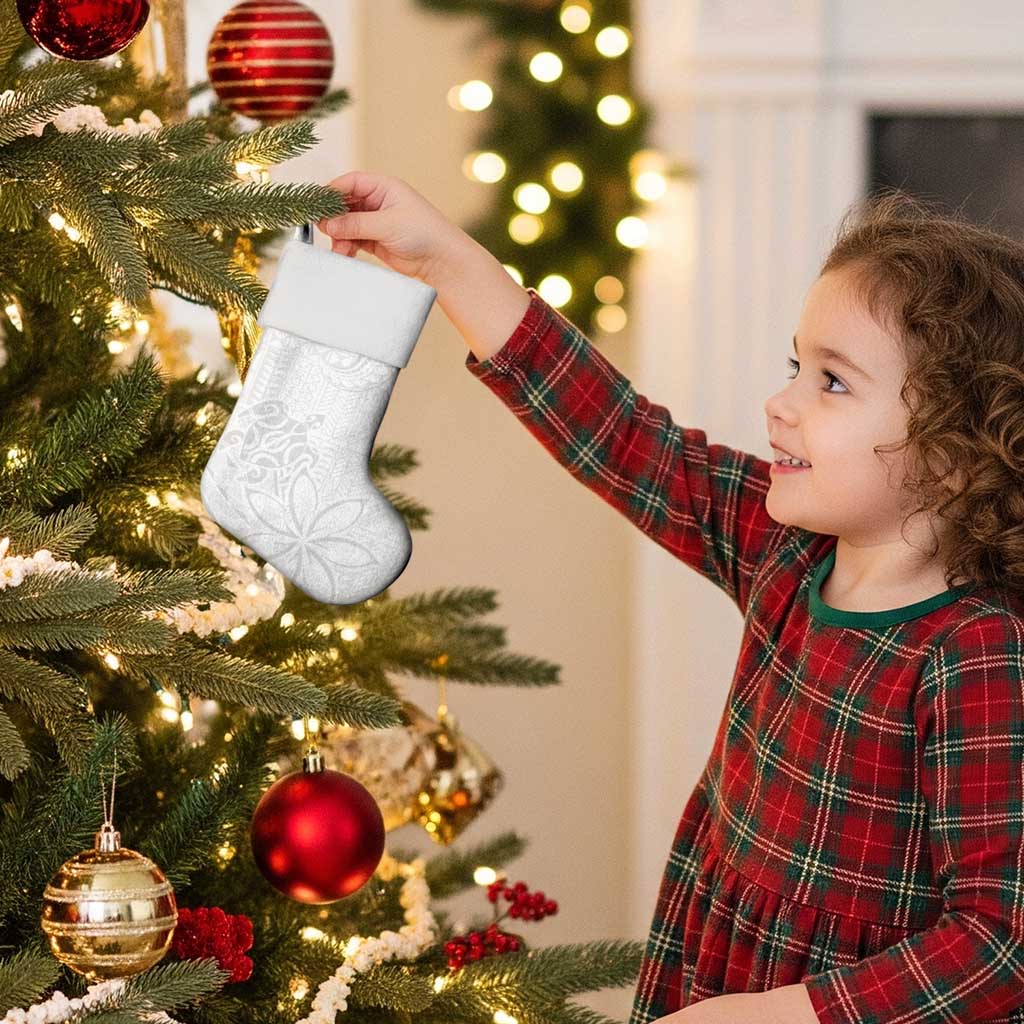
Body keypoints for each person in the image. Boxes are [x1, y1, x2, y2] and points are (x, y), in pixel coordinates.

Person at [317, 174, 1024, 1024]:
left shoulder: (978, 652)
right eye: (797, 366)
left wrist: (778, 1016)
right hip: (715, 964)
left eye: (832, 383)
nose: (782, 403)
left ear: (955, 453)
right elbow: (622, 436)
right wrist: (452, 263)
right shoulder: (786, 552)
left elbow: (998, 941)